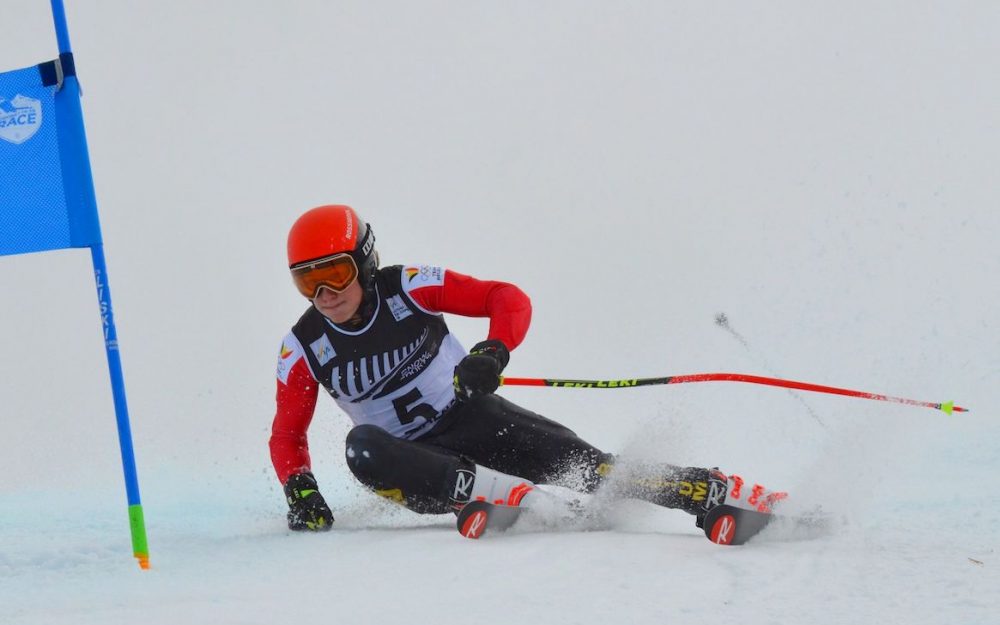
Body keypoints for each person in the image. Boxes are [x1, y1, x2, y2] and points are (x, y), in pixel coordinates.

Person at [270, 204, 785, 532]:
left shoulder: (408, 286)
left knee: (595, 471)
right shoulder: (304, 347)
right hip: (414, 465)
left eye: (335, 274)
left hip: (476, 420)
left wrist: (492, 351)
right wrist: (301, 490)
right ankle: (479, 493)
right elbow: (287, 435)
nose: (325, 295)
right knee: (361, 446)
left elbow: (505, 297)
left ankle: (711, 492)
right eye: (307, 283)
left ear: (364, 262)